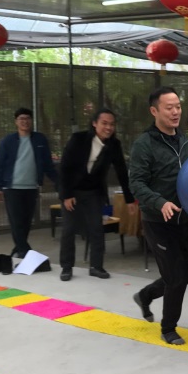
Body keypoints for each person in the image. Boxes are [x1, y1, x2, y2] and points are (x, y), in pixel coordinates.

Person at [130, 87, 188, 346]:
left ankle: (145, 295)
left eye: (178, 106)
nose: (175, 112)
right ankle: (169, 328)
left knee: (186, 273)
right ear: (154, 111)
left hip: (183, 218)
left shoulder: (186, 141)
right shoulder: (144, 144)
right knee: (176, 277)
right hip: (158, 221)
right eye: (169, 108)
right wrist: (160, 202)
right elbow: (137, 183)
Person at [57, 108, 132, 281]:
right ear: (94, 123)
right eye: (104, 123)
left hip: (93, 192)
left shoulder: (114, 145)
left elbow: (122, 172)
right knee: (69, 229)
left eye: (112, 124)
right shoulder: (78, 139)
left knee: (96, 229)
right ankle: (66, 267)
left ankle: (96, 266)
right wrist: (66, 195)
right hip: (73, 191)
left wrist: (129, 199)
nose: (108, 127)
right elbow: (65, 168)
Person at [0, 107, 58, 258]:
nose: (25, 121)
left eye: (27, 118)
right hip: (12, 187)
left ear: (32, 121)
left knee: (26, 221)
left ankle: (18, 249)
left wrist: (59, 182)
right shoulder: (8, 141)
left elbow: (48, 164)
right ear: (16, 122)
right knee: (16, 221)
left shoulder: (40, 139)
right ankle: (25, 251)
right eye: (21, 119)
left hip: (31, 187)